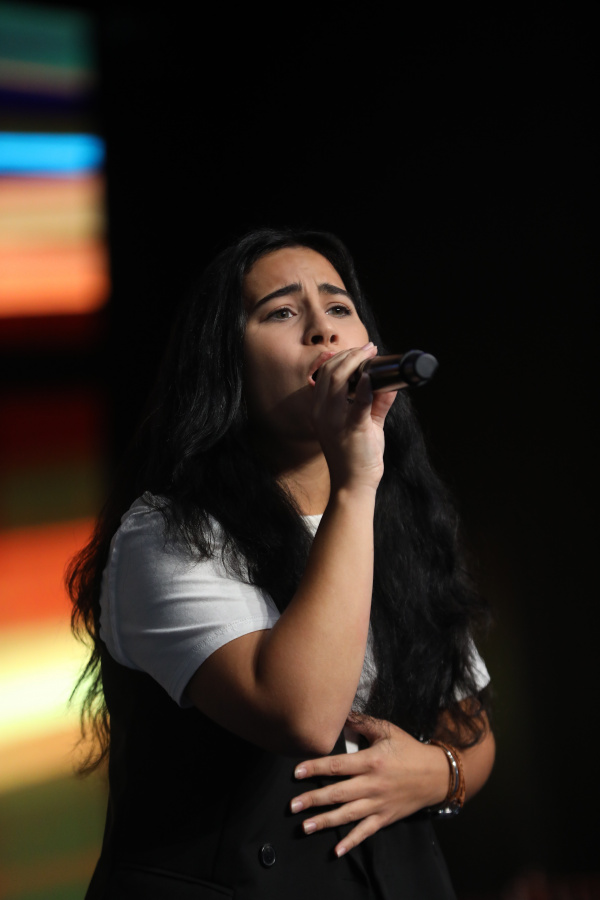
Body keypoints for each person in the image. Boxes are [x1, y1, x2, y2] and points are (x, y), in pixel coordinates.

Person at [69, 227, 495, 900]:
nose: (322, 329)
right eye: (282, 312)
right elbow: (302, 713)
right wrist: (354, 484)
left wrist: (441, 774)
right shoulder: (169, 533)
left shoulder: (401, 521)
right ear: (227, 362)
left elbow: (467, 723)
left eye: (338, 306)